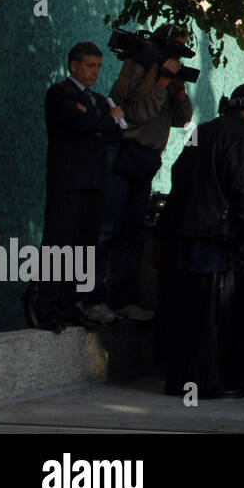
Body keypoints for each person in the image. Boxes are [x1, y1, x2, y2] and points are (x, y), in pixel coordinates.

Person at [160, 83, 244, 399]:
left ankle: (179, 380)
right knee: (213, 316)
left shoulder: (203, 131)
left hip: (184, 235)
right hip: (218, 240)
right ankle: (208, 382)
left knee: (184, 313)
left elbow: (179, 171)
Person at [94, 24, 193, 323]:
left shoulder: (163, 78)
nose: (177, 56)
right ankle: (91, 298)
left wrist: (177, 88)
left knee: (133, 234)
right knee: (106, 230)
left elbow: (182, 118)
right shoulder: (139, 69)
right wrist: (161, 81)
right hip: (123, 155)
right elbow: (136, 114)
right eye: (174, 48)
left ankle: (123, 299)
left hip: (146, 161)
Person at [35, 42, 126, 330]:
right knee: (58, 243)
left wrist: (101, 122)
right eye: (89, 66)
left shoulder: (98, 100)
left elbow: (114, 133)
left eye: (98, 67)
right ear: (74, 65)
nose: (94, 72)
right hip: (68, 182)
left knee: (83, 246)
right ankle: (45, 306)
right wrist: (103, 122)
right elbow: (84, 123)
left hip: (94, 183)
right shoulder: (60, 93)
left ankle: (68, 303)